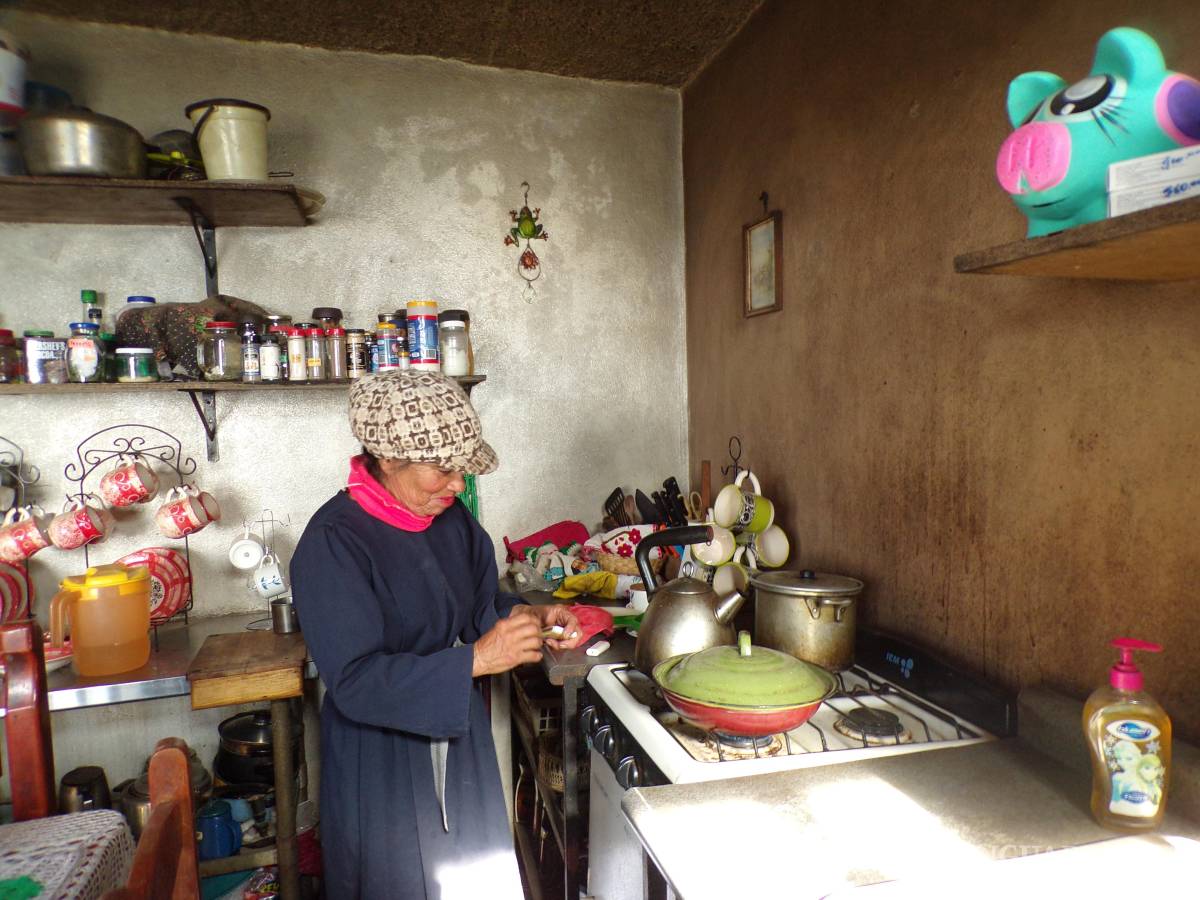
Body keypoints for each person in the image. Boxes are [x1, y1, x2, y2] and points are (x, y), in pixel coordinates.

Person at [291, 371, 581, 899]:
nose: (457, 484)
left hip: (458, 744)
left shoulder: (452, 521)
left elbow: (478, 607)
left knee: (472, 874)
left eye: (462, 470)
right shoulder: (333, 543)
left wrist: (523, 620)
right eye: (443, 469)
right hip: (379, 760)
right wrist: (474, 661)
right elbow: (355, 681)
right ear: (385, 460)